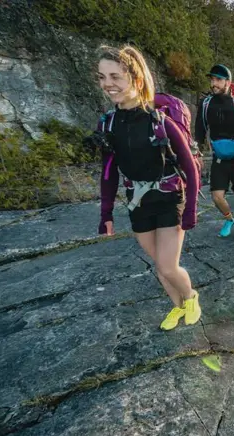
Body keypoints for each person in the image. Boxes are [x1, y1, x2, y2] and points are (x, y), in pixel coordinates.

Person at [94, 45, 200, 331]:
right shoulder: (109, 125)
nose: (107, 84)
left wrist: (191, 209)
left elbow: (190, 169)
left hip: (168, 199)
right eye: (102, 77)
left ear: (136, 79)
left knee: (168, 266)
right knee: (160, 266)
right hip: (137, 202)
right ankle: (178, 308)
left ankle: (191, 298)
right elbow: (108, 172)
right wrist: (106, 214)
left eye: (115, 76)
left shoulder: (161, 123)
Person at [194, 64, 234, 241]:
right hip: (219, 159)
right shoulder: (206, 104)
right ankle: (229, 219)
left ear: (227, 82)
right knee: (216, 196)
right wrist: (196, 153)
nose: (214, 83)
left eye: (218, 80)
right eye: (212, 79)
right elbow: (199, 131)